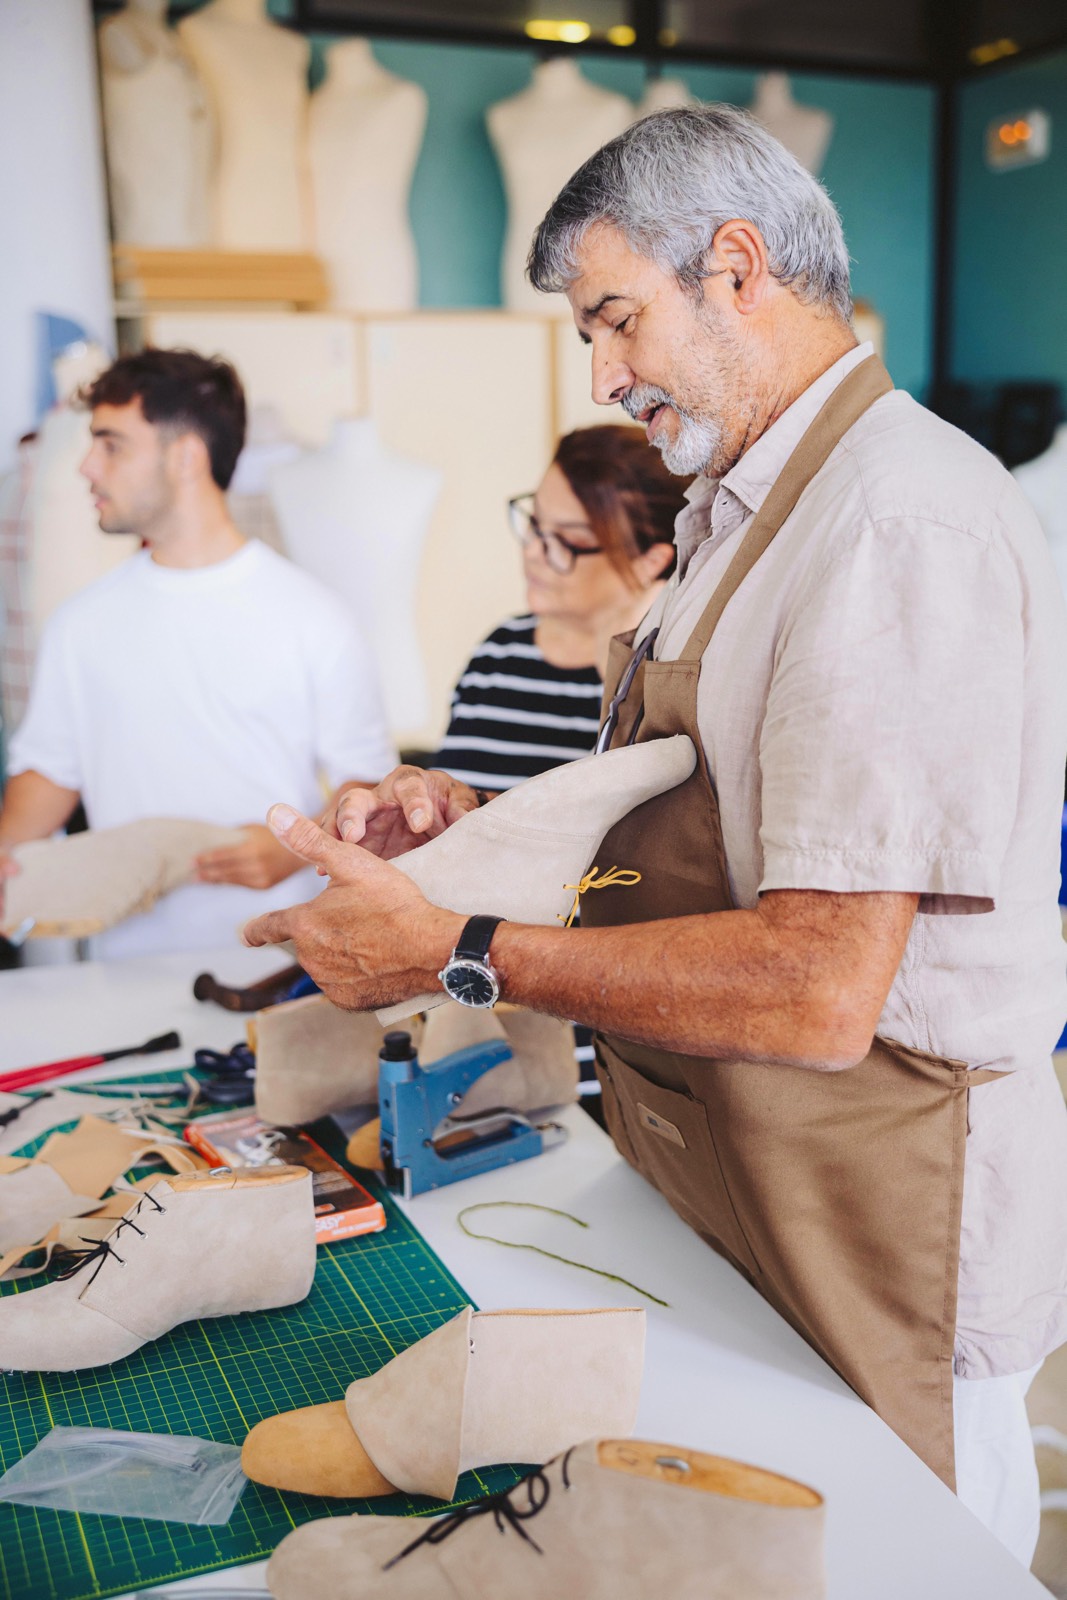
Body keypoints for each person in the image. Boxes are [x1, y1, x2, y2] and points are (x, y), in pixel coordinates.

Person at [241, 105, 1067, 1566]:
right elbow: (687, 827)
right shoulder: (736, 517)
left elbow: (819, 988)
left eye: (613, 318)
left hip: (875, 1206)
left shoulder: (892, 523)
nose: (603, 372)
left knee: (888, 1568)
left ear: (735, 268)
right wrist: (473, 823)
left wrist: (460, 947)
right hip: (736, 1170)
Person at [0, 347, 395, 957]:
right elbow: (49, 776)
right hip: (118, 966)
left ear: (186, 456)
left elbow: (365, 782)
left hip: (276, 967)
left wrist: (295, 846)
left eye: (111, 444)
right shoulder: (81, 624)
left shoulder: (313, 617)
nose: (85, 466)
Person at [435, 424, 681, 793]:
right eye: (535, 523)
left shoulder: (666, 680)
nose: (533, 552)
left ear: (651, 561)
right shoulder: (498, 652)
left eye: (567, 542)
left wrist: (619, 654)